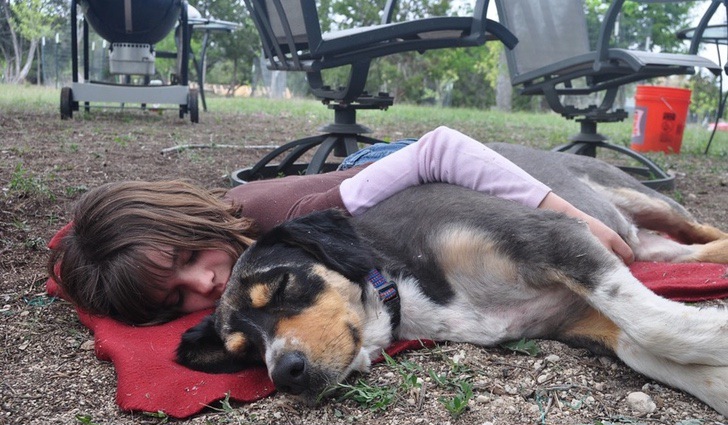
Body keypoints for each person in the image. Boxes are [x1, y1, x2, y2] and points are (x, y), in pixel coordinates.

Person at [48, 126, 633, 326]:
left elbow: (442, 150)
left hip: (396, 173)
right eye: (175, 299)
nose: (201, 285)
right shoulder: (230, 237)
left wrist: (570, 216)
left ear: (187, 216)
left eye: (186, 259)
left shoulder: (302, 223)